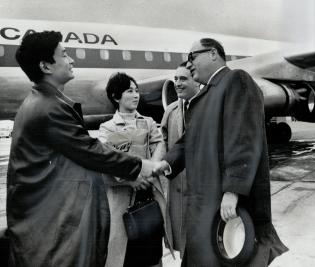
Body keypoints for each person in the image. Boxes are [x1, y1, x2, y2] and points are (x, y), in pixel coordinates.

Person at [7, 31, 155, 267]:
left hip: (45, 227)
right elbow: (91, 151)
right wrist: (141, 166)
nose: (72, 60)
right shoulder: (48, 108)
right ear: (46, 66)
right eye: (64, 55)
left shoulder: (42, 102)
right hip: (51, 235)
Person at [153, 38, 288, 266]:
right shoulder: (206, 96)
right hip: (205, 204)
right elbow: (190, 140)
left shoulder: (236, 80)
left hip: (224, 202)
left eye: (192, 57)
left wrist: (233, 191)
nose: (189, 64)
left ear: (213, 53)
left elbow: (244, 138)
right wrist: (167, 163)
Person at [98, 72, 173, 267]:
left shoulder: (148, 122)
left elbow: (160, 145)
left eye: (137, 91)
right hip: (122, 195)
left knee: (152, 246)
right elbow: (106, 160)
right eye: (129, 91)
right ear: (116, 97)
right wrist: (132, 178)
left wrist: (152, 169)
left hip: (148, 191)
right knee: (126, 250)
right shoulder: (107, 128)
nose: (136, 95)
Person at [160, 62, 200, 258]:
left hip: (202, 191)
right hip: (177, 187)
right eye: (175, 79)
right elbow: (163, 143)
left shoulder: (208, 108)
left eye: (183, 79)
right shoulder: (171, 111)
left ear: (197, 81)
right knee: (183, 245)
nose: (177, 83)